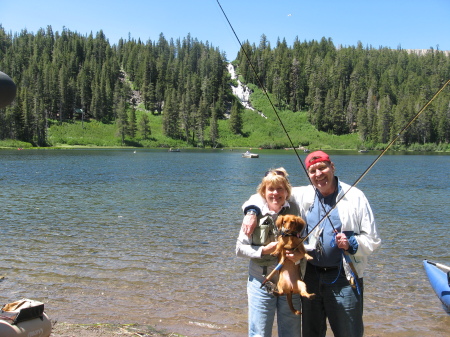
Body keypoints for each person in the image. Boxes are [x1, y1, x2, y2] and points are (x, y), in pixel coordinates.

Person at [242, 151, 381, 337]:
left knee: (349, 332)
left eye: (322, 168)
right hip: (311, 276)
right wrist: (251, 212)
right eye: (312, 170)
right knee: (311, 333)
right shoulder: (303, 194)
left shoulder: (355, 196)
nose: (318, 174)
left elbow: (373, 239)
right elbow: (269, 193)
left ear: (332, 167)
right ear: (308, 174)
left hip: (343, 277)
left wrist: (351, 243)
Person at [236, 167, 304, 337]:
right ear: (263, 192)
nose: (275, 193)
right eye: (271, 189)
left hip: (290, 283)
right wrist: (262, 250)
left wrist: (300, 254)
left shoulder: (297, 210)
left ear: (287, 192)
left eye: (280, 188)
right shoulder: (253, 215)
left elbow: (307, 242)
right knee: (259, 333)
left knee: (292, 333)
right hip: (261, 282)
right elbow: (239, 249)